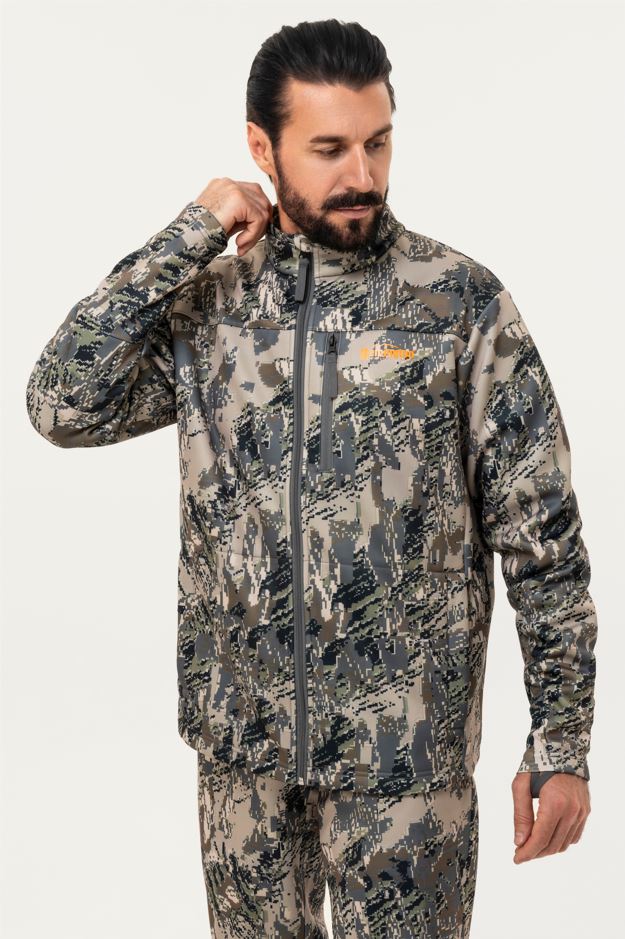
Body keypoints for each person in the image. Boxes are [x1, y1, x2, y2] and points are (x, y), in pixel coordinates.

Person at [25, 17, 597, 939]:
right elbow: (61, 403)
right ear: (262, 148)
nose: (361, 173)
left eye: (378, 142)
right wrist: (190, 233)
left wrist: (559, 741)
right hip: (242, 761)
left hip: (404, 766)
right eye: (328, 149)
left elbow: (544, 540)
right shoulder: (214, 307)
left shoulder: (457, 304)